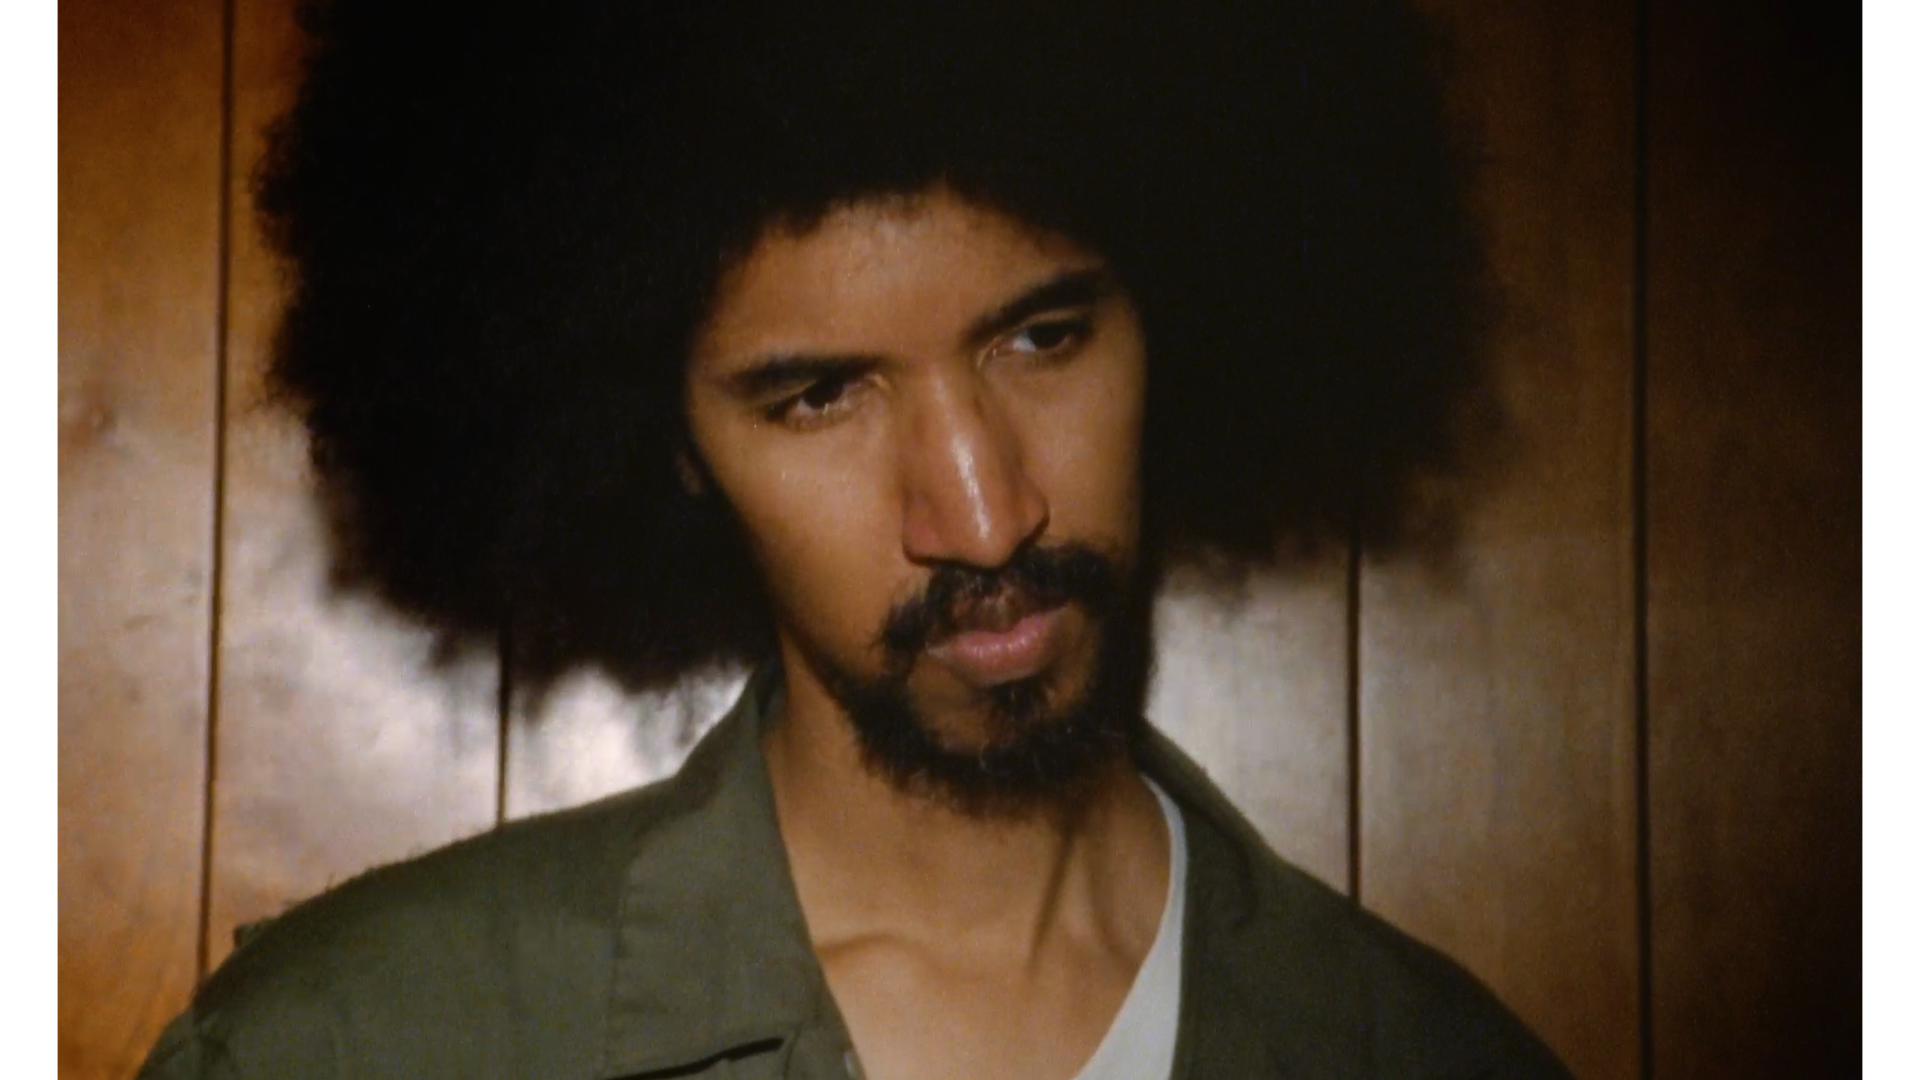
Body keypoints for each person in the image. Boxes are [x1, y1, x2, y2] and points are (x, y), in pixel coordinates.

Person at [141, 1, 1569, 1077]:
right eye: (819, 395)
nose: (984, 510)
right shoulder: (361, 1045)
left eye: (1042, 336)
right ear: (663, 450)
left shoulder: (1433, 1055)